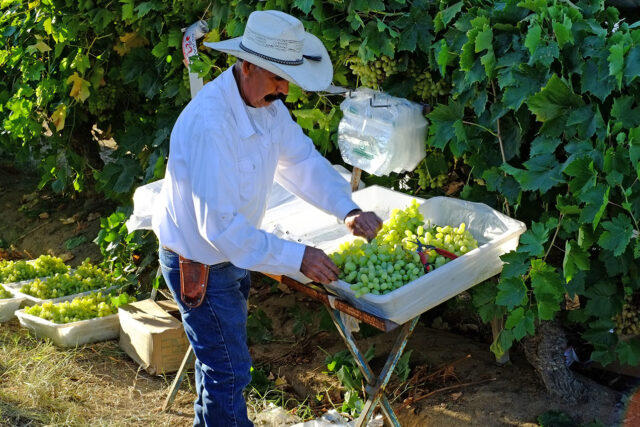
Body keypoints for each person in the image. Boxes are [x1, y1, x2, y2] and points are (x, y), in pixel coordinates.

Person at [152, 9, 382, 427]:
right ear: (249, 65)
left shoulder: (267, 106)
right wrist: (298, 257)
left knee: (219, 368)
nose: (285, 91)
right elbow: (218, 228)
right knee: (229, 371)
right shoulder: (211, 124)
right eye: (279, 79)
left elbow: (300, 162)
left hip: (231, 256)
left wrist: (345, 208)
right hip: (200, 263)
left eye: (288, 80)